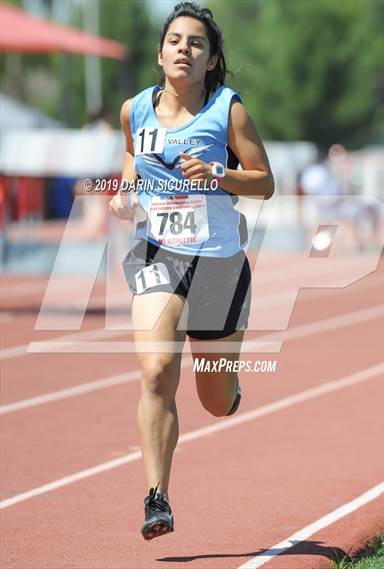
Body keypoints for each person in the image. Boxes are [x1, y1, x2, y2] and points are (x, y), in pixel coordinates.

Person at [108, 1, 274, 541]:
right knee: (156, 372)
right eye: (176, 40)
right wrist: (126, 191)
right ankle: (157, 497)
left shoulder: (228, 111)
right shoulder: (135, 108)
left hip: (219, 263)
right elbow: (133, 158)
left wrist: (221, 173)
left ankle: (230, 387)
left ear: (210, 58)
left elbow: (264, 181)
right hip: (158, 252)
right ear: (160, 54)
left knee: (214, 400)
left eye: (196, 43)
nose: (185, 48)